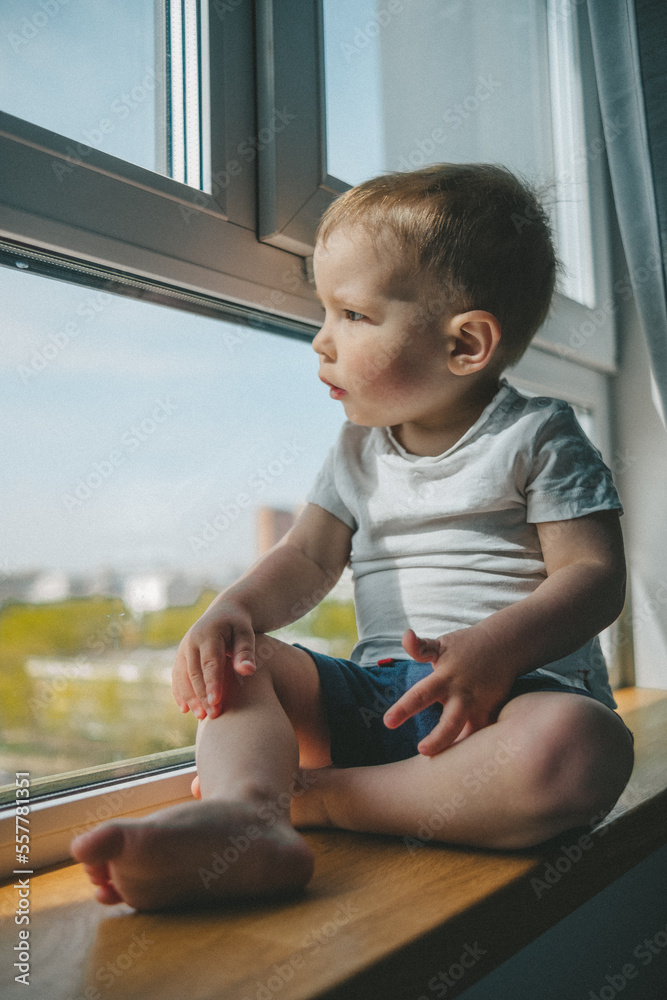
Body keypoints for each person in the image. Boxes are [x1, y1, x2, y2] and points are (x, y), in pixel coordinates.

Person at [71, 164, 634, 911]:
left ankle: (320, 802)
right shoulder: (354, 452)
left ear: (465, 344)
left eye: (352, 316)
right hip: (375, 701)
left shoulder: (539, 437)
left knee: (580, 750)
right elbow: (306, 557)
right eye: (322, 312)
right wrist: (233, 609)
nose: (319, 341)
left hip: (513, 700)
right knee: (242, 666)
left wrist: (498, 647)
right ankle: (247, 817)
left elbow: (592, 575)